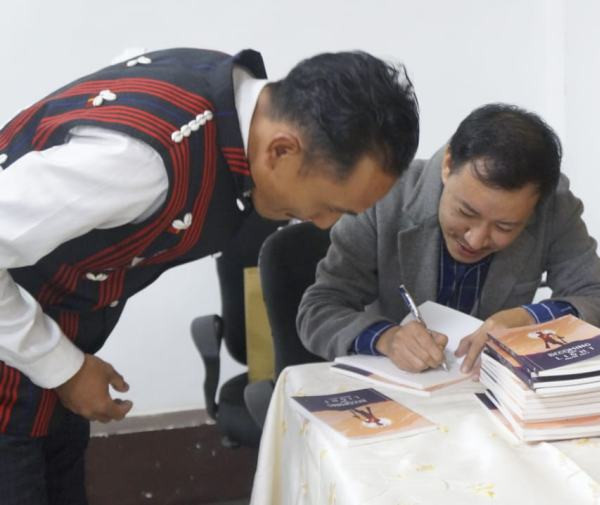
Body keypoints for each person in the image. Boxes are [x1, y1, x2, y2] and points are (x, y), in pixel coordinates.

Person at [0, 47, 419, 504]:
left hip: (42, 344)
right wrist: (62, 366)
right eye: (331, 206)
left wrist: (65, 366)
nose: (323, 224)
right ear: (281, 149)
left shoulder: (230, 104)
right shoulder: (141, 162)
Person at [298, 103, 600, 375]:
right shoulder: (383, 197)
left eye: (505, 226)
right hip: (400, 394)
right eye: (466, 213)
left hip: (493, 395)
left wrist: (530, 319)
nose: (477, 238)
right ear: (448, 165)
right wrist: (387, 337)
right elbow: (319, 309)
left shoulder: (554, 207)